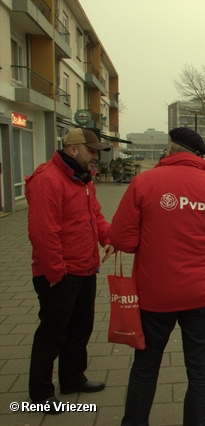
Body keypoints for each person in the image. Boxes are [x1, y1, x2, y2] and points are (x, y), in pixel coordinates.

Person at [108, 127, 205, 426]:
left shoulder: (143, 183)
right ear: (199, 156)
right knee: (199, 370)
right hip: (201, 296)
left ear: (171, 151)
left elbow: (122, 240)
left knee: (146, 366)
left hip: (153, 295)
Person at [25, 127, 114, 413]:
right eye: (91, 152)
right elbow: (43, 232)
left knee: (80, 329)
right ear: (73, 149)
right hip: (60, 273)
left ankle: (73, 378)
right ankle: (40, 393)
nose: (95, 159)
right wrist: (55, 273)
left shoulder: (84, 180)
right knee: (52, 334)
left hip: (86, 267)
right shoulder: (47, 179)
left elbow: (95, 214)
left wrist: (107, 237)